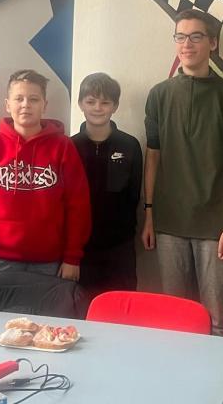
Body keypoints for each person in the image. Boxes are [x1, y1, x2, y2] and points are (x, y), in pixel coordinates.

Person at [142, 8, 223, 337]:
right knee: (176, 319)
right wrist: (148, 214)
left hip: (216, 225)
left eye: (195, 36)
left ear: (213, 43)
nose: (186, 44)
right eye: (180, 37)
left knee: (218, 320)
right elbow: (153, 158)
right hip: (169, 223)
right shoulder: (159, 95)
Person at [0, 69, 90, 284]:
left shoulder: (63, 147)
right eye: (18, 98)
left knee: (46, 309)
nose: (25, 105)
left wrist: (72, 257)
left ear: (44, 105)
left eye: (33, 99)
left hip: (51, 263)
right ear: (7, 104)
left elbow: (78, 206)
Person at [71, 72, 142, 297]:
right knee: (82, 305)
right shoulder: (69, 146)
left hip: (120, 247)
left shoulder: (130, 145)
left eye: (105, 102)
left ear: (115, 106)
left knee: (120, 305)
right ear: (80, 104)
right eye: (91, 101)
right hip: (80, 248)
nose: (97, 108)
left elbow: (134, 195)